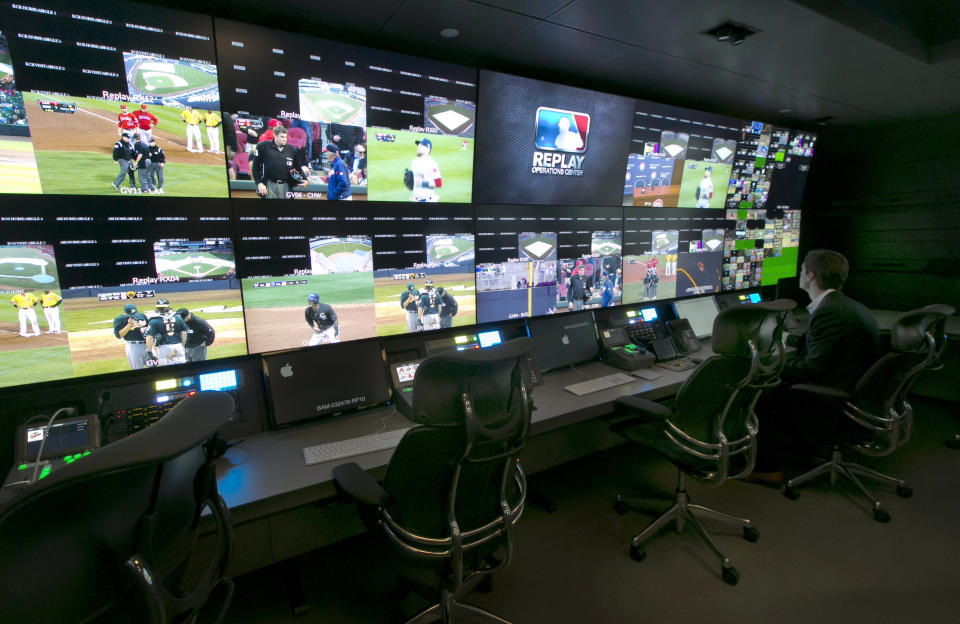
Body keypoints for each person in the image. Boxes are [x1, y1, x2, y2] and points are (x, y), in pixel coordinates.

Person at [749, 249, 881, 485]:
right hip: (856, 392)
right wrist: (786, 339)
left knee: (759, 392)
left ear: (810, 276)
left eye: (801, 270)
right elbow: (824, 346)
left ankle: (767, 468)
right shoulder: (844, 305)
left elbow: (812, 368)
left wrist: (769, 370)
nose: (800, 274)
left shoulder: (829, 311)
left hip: (834, 399)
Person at [251, 127, 310, 199]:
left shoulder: (292, 149)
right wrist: (259, 183)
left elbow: (298, 167)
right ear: (275, 135)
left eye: (285, 137)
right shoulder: (263, 146)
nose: (284, 139)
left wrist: (305, 179)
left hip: (286, 185)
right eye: (282, 137)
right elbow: (255, 167)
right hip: (270, 185)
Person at [144, 299, 187, 366]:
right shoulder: (178, 318)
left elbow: (150, 337)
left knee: (167, 371)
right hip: (178, 346)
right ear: (168, 307)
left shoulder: (154, 321)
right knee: (182, 369)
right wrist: (183, 346)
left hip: (164, 348)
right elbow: (184, 333)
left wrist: (149, 351)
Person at [113, 303, 148, 370]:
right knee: (137, 369)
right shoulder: (119, 320)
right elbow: (119, 335)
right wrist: (129, 325)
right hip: (133, 347)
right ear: (124, 312)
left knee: (153, 367)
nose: (132, 316)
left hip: (147, 345)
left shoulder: (142, 316)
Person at [409, 138, 441, 202]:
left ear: (428, 149)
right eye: (418, 145)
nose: (418, 147)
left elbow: (438, 183)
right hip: (415, 199)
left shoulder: (432, 164)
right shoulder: (414, 162)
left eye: (421, 145)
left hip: (428, 200)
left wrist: (421, 183)